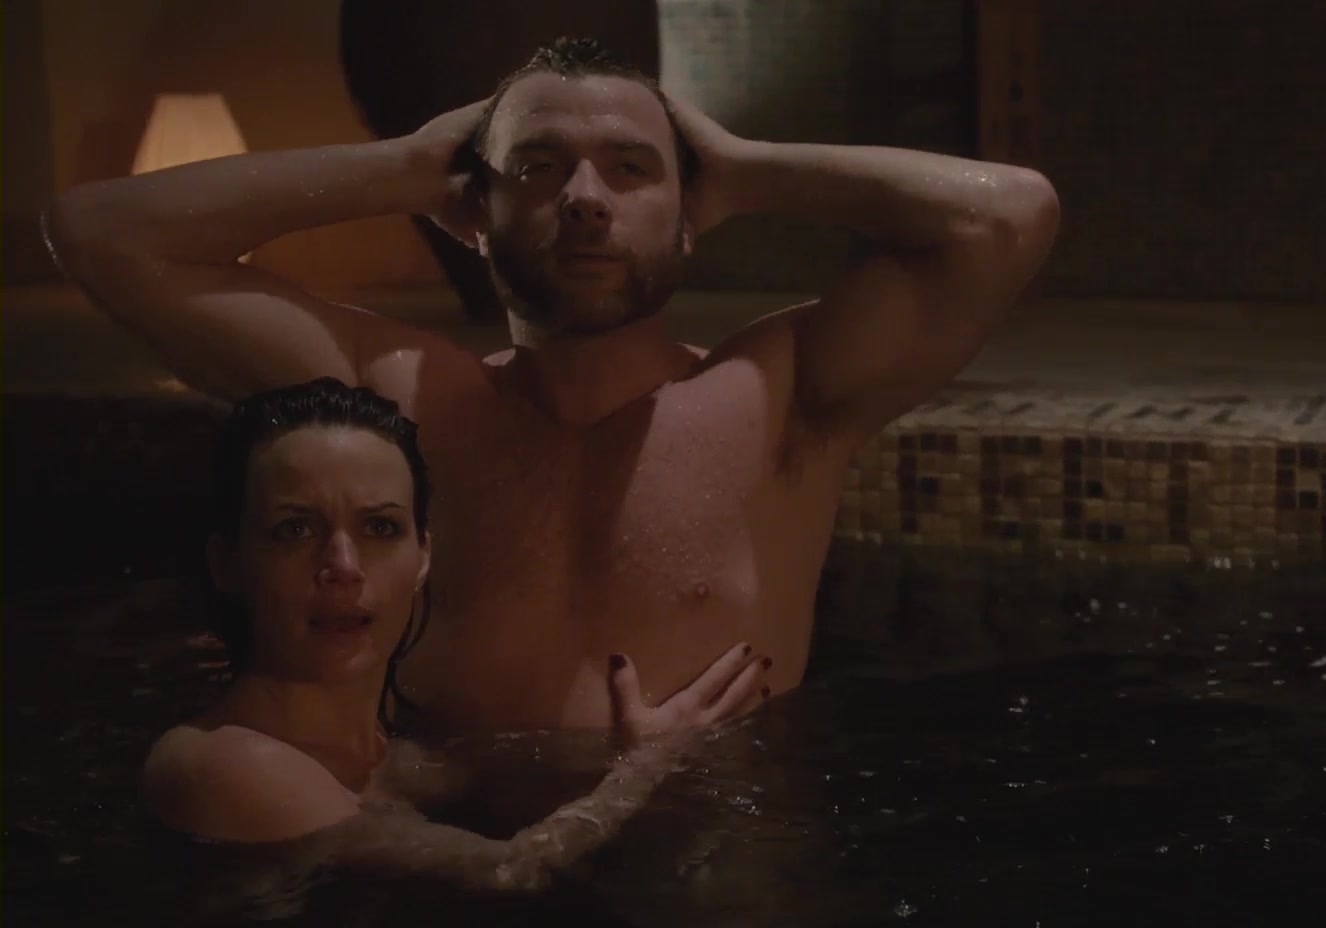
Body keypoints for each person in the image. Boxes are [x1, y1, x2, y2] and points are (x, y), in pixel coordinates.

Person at [47, 36, 1059, 735]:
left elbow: (1007, 218)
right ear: (473, 213)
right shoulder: (399, 405)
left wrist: (745, 168)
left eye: (630, 168)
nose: (583, 199)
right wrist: (403, 167)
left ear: (692, 214)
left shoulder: (781, 396)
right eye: (537, 168)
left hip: (707, 893)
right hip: (443, 883)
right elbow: (98, 234)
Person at [142, 378, 770, 891]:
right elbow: (509, 870)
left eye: (380, 528)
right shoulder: (222, 765)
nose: (343, 566)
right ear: (227, 564)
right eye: (294, 529)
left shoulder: (398, 757)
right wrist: (645, 766)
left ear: (423, 556)